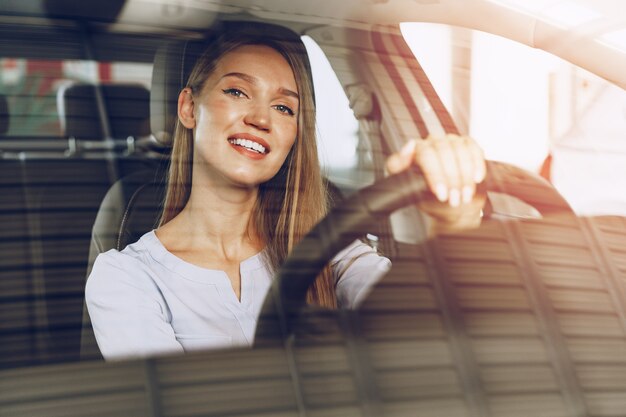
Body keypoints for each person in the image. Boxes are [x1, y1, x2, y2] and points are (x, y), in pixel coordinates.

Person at [85, 25, 485, 360]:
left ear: (294, 136)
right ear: (189, 108)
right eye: (237, 92)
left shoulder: (330, 251)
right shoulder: (126, 277)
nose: (260, 118)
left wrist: (453, 218)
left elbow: (421, 325)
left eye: (284, 108)